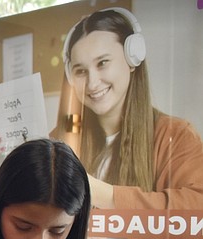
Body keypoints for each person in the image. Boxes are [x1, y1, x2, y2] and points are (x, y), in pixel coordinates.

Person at [54, 7, 203, 211]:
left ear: (132, 59)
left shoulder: (176, 135)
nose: (92, 83)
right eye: (80, 71)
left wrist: (105, 195)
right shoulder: (62, 137)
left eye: (103, 63)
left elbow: (197, 209)